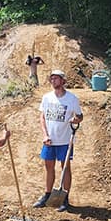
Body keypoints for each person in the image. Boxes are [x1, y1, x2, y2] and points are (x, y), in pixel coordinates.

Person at [33, 69, 83, 212]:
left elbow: (80, 116)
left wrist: (76, 119)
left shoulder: (72, 99)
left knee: (65, 168)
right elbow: (42, 117)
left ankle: (65, 198)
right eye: (51, 79)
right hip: (49, 140)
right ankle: (47, 195)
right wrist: (45, 135)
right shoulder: (47, 98)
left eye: (56, 78)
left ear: (63, 81)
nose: (53, 81)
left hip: (65, 140)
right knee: (49, 167)